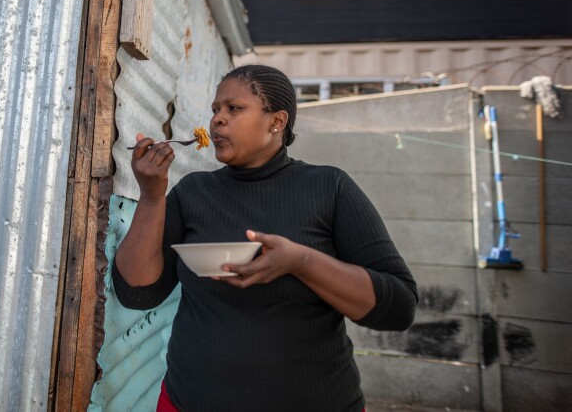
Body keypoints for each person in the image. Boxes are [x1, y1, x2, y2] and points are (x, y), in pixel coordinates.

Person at [112, 64, 418, 412]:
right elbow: (137, 292)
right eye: (215, 110)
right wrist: (152, 196)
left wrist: (302, 262)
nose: (217, 120)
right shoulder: (194, 193)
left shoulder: (329, 188)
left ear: (277, 121)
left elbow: (399, 308)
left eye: (234, 108)